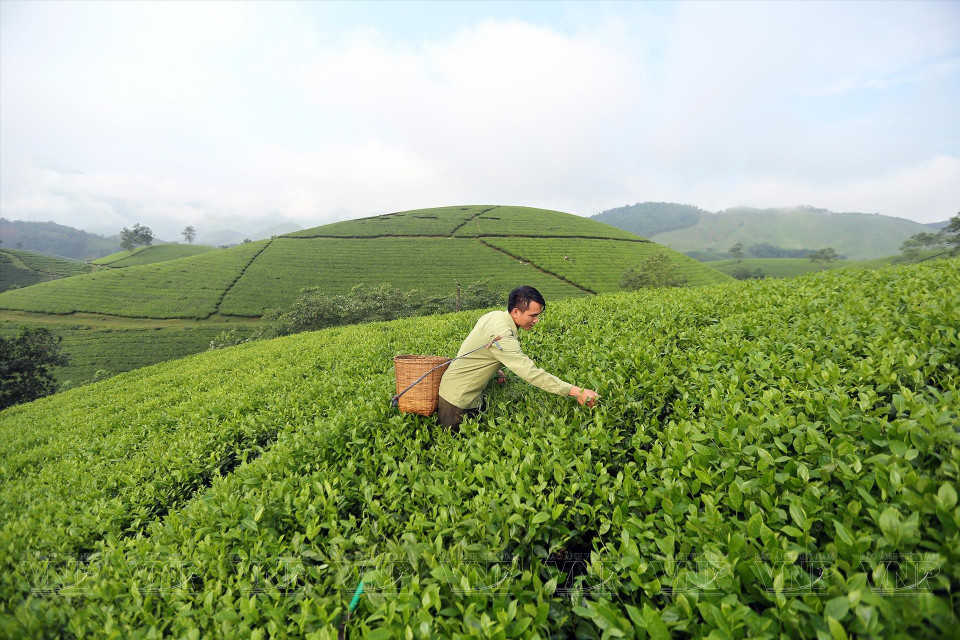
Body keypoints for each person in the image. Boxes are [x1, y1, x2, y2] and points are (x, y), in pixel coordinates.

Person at [436, 285, 600, 431]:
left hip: (464, 391)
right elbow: (530, 372)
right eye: (533, 315)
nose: (536, 320)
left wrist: (496, 368)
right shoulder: (502, 336)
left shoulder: (495, 316)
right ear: (515, 312)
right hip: (458, 401)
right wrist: (575, 391)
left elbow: (479, 349)